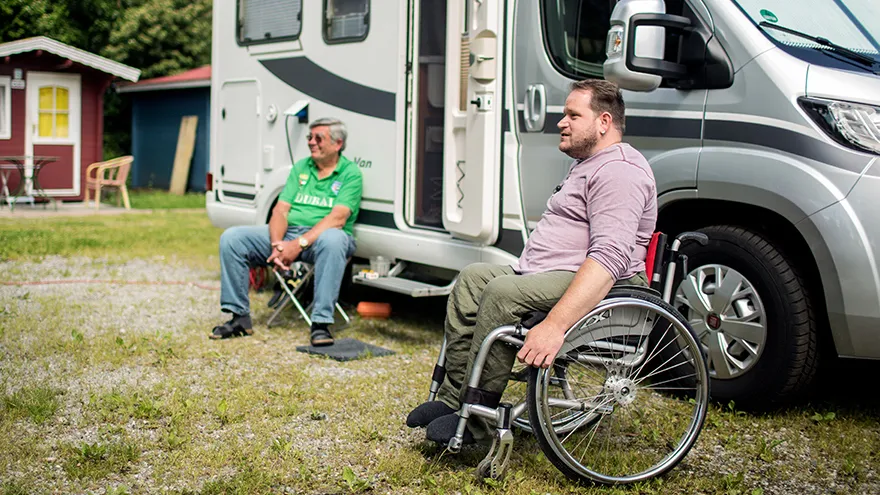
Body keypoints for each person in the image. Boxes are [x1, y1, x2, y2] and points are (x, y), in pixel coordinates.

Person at [406, 80, 658, 445]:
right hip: (552, 274)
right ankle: (452, 399)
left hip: (606, 285)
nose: (561, 122)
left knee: (502, 293)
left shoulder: (619, 171)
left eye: (573, 115)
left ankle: (476, 420)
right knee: (472, 279)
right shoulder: (589, 164)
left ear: (604, 122)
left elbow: (609, 258)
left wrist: (555, 325)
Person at [210, 117, 363, 346]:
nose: (311, 142)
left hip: (323, 238)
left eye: (318, 138)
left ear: (337, 143)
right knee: (232, 238)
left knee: (334, 240)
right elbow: (280, 210)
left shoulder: (350, 173)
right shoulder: (301, 167)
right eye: (309, 137)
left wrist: (297, 245)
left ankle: (320, 325)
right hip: (290, 235)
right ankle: (239, 318)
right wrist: (277, 246)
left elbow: (337, 219)